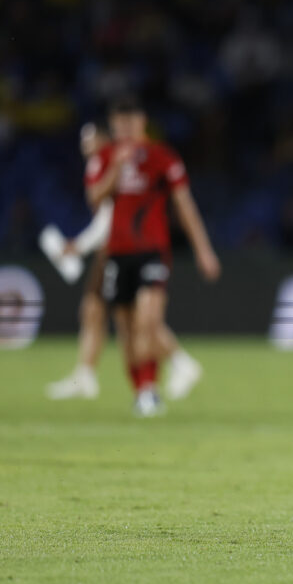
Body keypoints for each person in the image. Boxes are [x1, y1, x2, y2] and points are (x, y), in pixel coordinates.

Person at [44, 122, 203, 402]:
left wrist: (78, 247)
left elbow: (111, 220)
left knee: (132, 319)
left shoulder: (112, 164)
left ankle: (175, 365)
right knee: (96, 311)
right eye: (83, 141)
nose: (86, 146)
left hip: (120, 251)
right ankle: (88, 373)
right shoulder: (104, 164)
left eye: (91, 139)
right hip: (113, 249)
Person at [85, 98, 220, 416]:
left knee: (148, 320)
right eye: (120, 120)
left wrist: (204, 250)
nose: (126, 126)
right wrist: (117, 167)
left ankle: (152, 390)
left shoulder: (161, 157)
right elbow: (94, 199)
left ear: (142, 121)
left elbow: (184, 205)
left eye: (131, 119)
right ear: (113, 123)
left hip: (152, 251)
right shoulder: (103, 157)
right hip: (116, 252)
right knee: (126, 327)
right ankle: (142, 391)